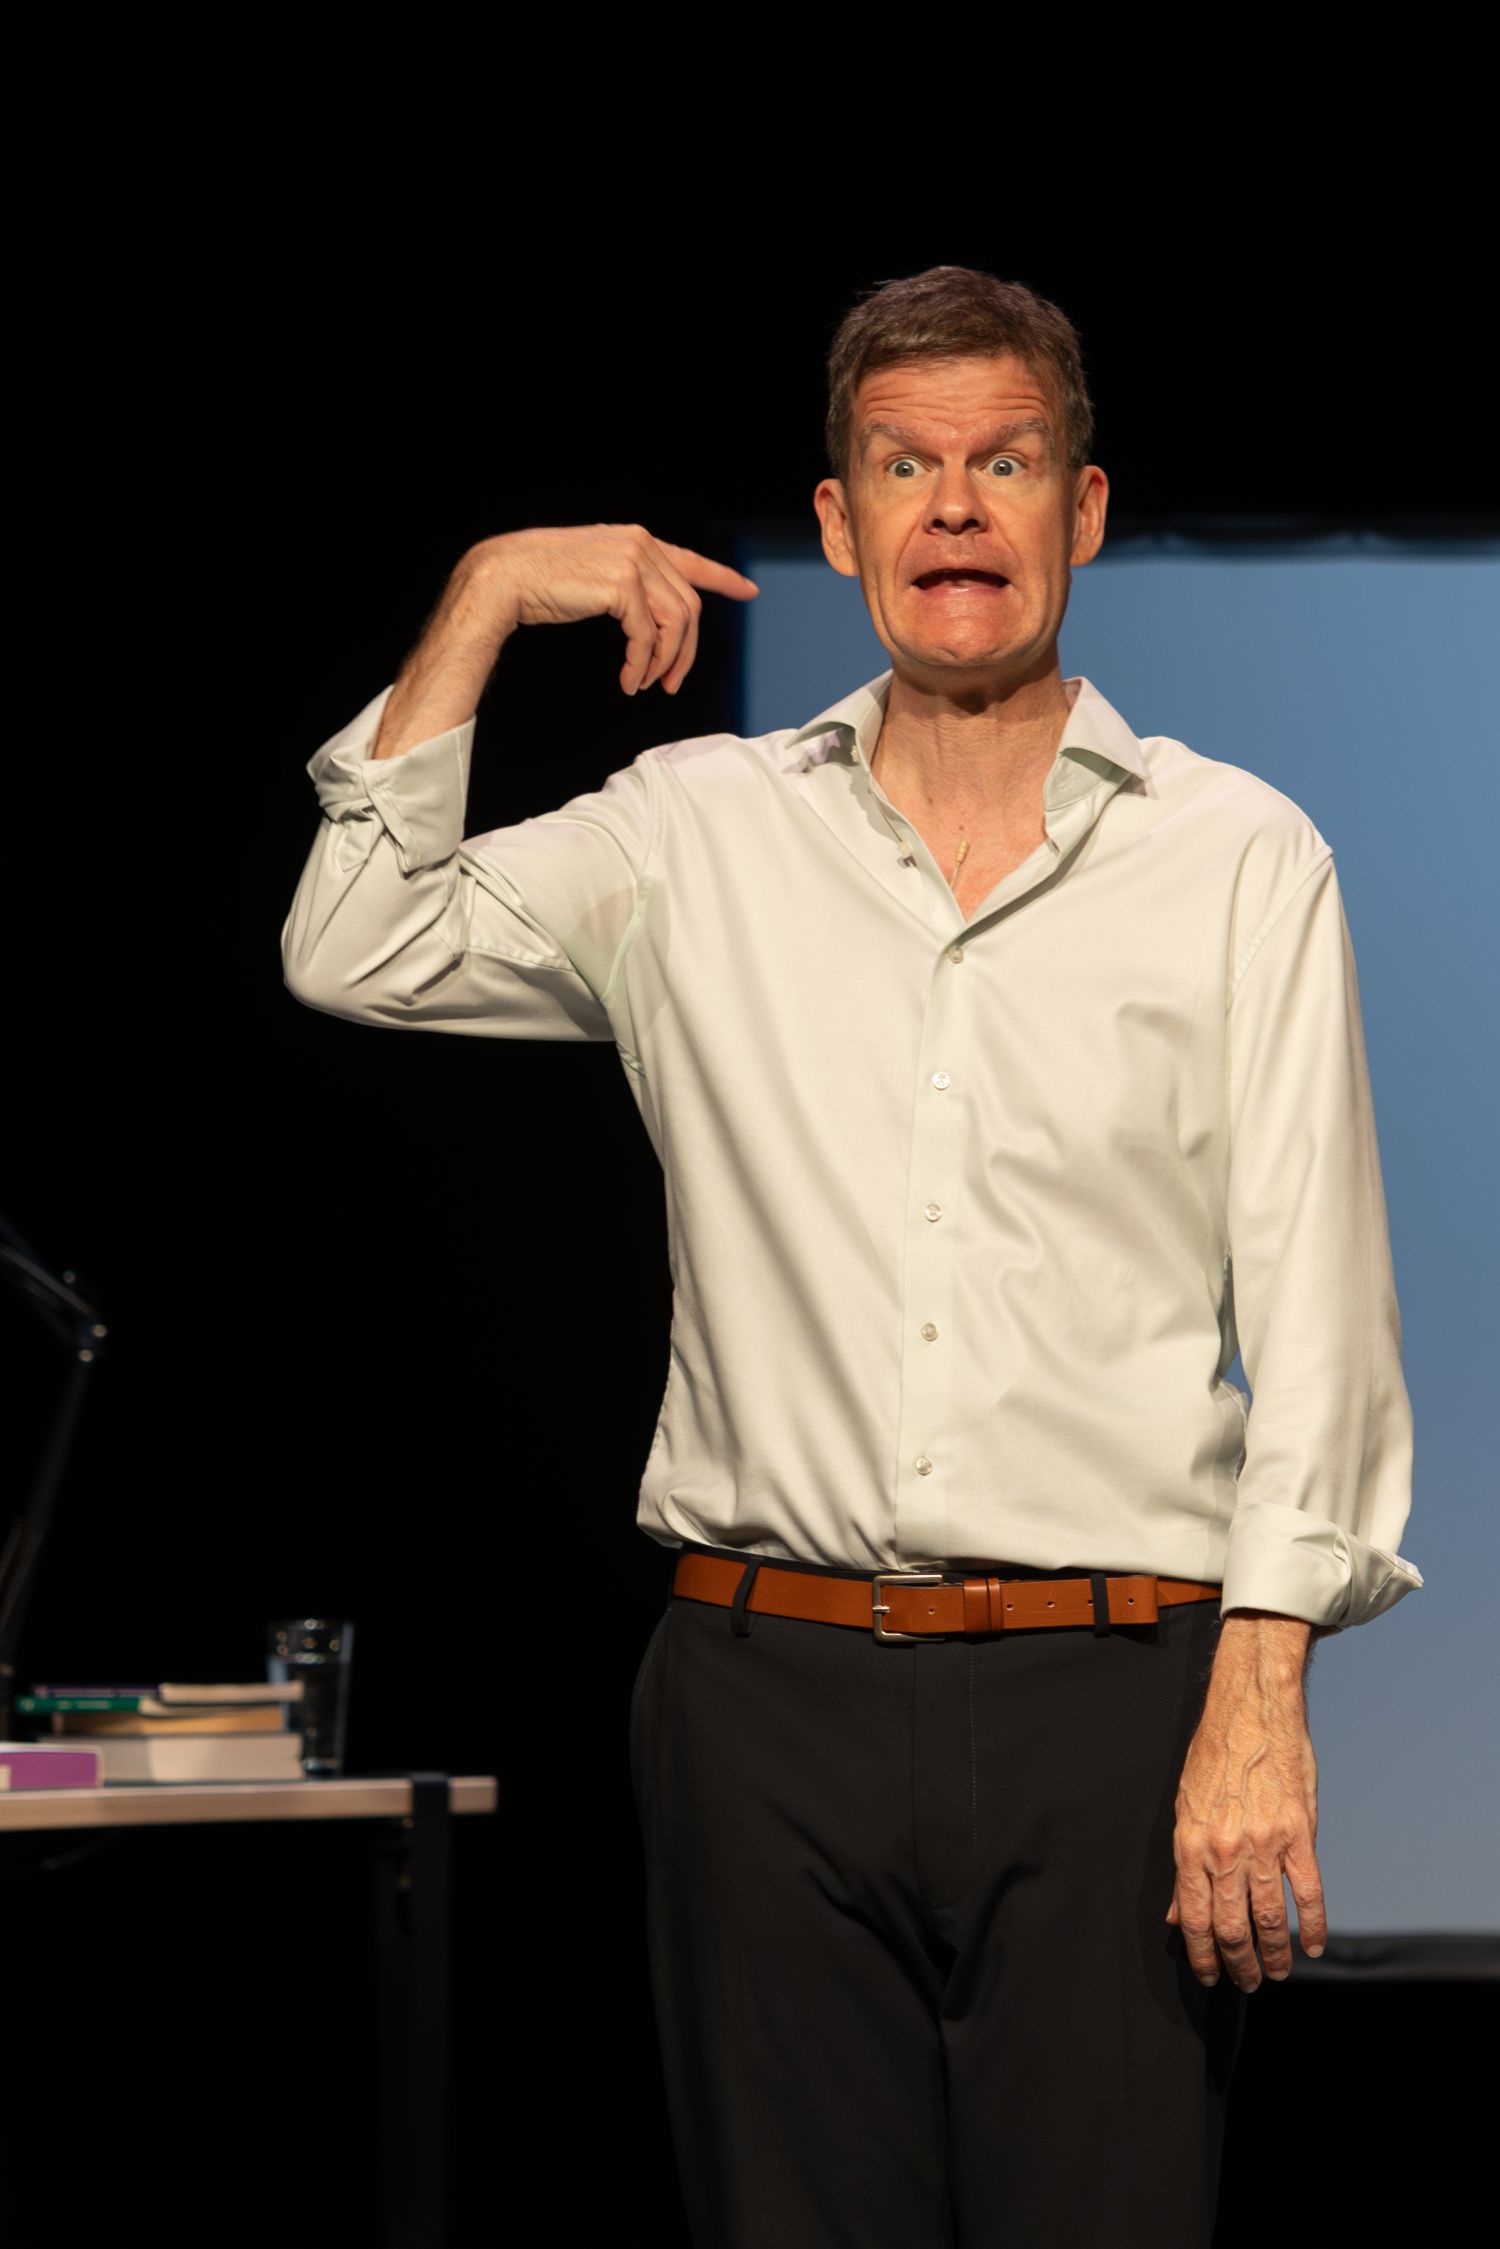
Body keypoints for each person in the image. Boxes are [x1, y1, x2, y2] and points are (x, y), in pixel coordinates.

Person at [281, 265, 1420, 2248]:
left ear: (1083, 510)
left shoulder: (1238, 857)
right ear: (838, 521)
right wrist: (483, 594)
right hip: (762, 1703)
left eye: (1005, 462)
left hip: (1109, 1701)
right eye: (904, 466)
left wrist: (1262, 1695)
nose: (954, 506)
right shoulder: (692, 835)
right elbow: (355, 942)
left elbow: (1321, 1319)